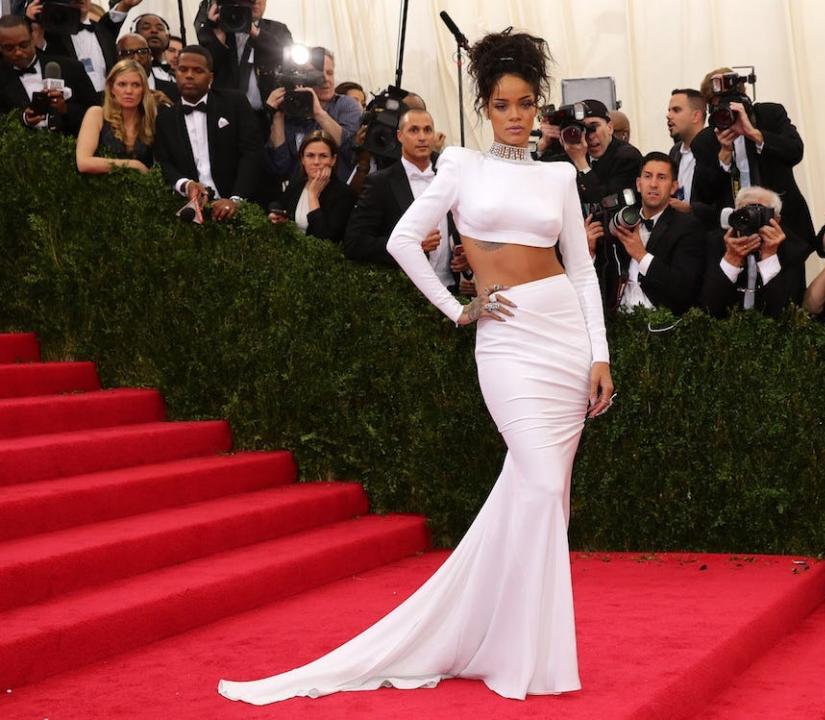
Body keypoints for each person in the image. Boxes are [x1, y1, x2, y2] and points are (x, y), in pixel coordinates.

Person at [218, 27, 613, 706]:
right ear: (485, 108)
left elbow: (582, 273)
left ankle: (520, 648)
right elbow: (402, 239)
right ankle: (512, 648)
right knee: (543, 488)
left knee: (540, 495)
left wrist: (601, 355)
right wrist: (456, 308)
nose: (514, 115)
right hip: (510, 344)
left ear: (537, 108)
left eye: (524, 104)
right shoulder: (461, 163)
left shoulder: (557, 176)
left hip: (565, 340)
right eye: (501, 104)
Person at [697, 67, 817, 259]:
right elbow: (702, 195)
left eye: (730, 105)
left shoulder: (769, 115)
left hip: (783, 230)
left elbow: (795, 151)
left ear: (743, 98)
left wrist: (755, 134)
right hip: (735, 235)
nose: (725, 112)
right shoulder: (706, 139)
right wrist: (724, 155)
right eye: (718, 107)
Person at [343, 107, 462, 291]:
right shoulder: (380, 183)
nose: (422, 137)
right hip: (404, 295)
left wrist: (464, 256)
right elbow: (355, 243)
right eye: (414, 130)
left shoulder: (451, 177)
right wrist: (412, 245)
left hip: (452, 291)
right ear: (399, 136)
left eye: (427, 130)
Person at [153, 45, 262, 221]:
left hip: (241, 208)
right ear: (175, 73)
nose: (189, 75)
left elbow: (252, 153)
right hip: (193, 214)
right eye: (183, 69)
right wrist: (186, 185)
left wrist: (236, 200)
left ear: (210, 77)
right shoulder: (165, 118)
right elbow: (164, 163)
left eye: (197, 70)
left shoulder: (235, 103)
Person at [613, 151, 705, 315]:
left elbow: (684, 289)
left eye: (661, 177)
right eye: (648, 176)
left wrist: (642, 256)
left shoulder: (688, 227)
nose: (653, 184)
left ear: (673, 187)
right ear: (638, 184)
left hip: (661, 326)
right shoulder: (622, 222)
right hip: (619, 322)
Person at [701, 186, 804, 317]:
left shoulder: (792, 249)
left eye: (759, 212)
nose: (750, 218)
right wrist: (731, 260)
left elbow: (786, 313)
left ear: (776, 220)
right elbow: (707, 309)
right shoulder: (713, 243)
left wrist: (769, 256)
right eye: (744, 212)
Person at [263, 47, 360, 184]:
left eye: (330, 73)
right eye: (317, 75)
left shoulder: (346, 105)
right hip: (298, 192)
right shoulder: (291, 111)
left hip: (337, 192)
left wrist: (319, 113)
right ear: (301, 77)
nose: (326, 79)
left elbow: (351, 152)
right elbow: (282, 167)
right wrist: (277, 115)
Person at [0, 14, 97, 135]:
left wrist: (65, 109)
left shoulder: (70, 67)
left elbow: (95, 110)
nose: (18, 52)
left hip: (72, 147)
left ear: (33, 38)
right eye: (9, 48)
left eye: (23, 45)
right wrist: (23, 119)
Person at [539, 97, 643, 203]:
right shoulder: (572, 152)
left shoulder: (627, 157)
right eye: (582, 129)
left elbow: (605, 201)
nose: (589, 136)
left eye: (593, 127)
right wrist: (543, 146)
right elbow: (536, 180)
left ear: (610, 128)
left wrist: (581, 163)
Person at [268, 130, 353, 243]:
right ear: (302, 159)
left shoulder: (344, 195)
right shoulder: (297, 182)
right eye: (310, 156)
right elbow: (279, 203)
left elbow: (325, 240)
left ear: (333, 160)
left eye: (323, 156)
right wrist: (275, 214)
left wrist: (313, 195)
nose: (316, 162)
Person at [75, 57, 154, 173]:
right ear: (111, 88)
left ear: (143, 90)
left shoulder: (150, 120)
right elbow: (83, 163)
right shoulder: (97, 114)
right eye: (122, 84)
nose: (129, 91)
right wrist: (134, 165)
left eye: (136, 85)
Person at [666, 88, 726, 229]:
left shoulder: (718, 149)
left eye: (676, 110)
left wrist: (691, 209)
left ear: (696, 116)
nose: (668, 116)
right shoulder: (675, 152)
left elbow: (722, 202)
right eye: (669, 110)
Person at [115, 32, 176, 101]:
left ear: (150, 55)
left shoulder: (174, 91)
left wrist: (169, 107)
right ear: (119, 58)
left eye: (142, 52)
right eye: (128, 53)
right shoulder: (106, 96)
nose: (137, 58)